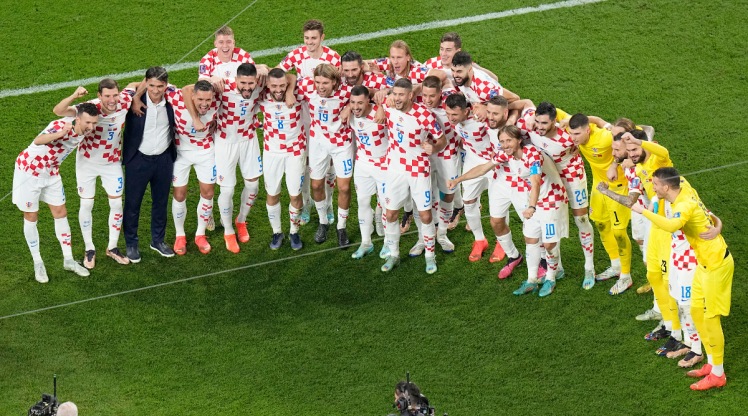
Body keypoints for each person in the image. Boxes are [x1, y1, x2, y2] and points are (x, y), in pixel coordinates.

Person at [632, 167, 733, 391]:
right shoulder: (684, 193)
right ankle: (710, 364)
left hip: (716, 265)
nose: (653, 187)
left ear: (666, 187)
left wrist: (642, 211)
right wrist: (718, 226)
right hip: (704, 264)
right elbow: (709, 213)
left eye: (655, 184)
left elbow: (671, 226)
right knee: (696, 311)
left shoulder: (684, 203)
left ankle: (718, 374)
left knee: (711, 318)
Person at [452, 125, 568, 297]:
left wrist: (531, 206)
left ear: (519, 140)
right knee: (531, 240)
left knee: (549, 243)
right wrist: (458, 180)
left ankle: (552, 277)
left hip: (551, 200)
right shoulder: (505, 154)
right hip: (535, 201)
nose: (505, 145)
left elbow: (536, 181)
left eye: (509, 140)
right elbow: (484, 168)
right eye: (502, 141)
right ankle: (531, 281)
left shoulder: (532, 155)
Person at [52, 79, 138, 268]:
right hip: (87, 163)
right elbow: (58, 111)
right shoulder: (89, 109)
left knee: (116, 203)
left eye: (114, 94)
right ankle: (89, 248)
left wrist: (138, 97)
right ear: (100, 96)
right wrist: (74, 95)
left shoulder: (124, 100)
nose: (112, 99)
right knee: (87, 203)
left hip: (111, 163)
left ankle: (112, 247)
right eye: (107, 96)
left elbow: (135, 84)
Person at [13, 104, 97, 282]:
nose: (91, 127)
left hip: (51, 173)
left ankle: (68, 260)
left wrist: (75, 96)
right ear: (78, 119)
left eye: (94, 123)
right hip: (29, 171)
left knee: (61, 213)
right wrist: (59, 134)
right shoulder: (62, 125)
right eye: (88, 122)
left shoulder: (83, 130)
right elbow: (38, 140)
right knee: (31, 215)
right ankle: (38, 262)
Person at [521, 102, 596, 287]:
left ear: (555, 121)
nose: (539, 127)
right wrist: (530, 119)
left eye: (544, 123)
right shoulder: (529, 124)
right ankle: (558, 267)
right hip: (549, 178)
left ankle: (589, 267)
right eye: (537, 121)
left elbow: (590, 127)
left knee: (581, 220)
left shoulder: (568, 136)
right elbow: (522, 104)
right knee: (550, 219)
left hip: (572, 175)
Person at [379, 78, 446, 274]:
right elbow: (375, 95)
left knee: (425, 215)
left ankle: (430, 256)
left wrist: (433, 147)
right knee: (390, 213)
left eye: (401, 95)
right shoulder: (389, 105)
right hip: (395, 168)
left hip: (418, 169)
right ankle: (393, 254)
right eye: (395, 94)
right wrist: (382, 102)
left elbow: (441, 140)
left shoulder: (424, 115)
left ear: (410, 95)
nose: (397, 98)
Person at [278, 19, 341, 226]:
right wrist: (289, 90)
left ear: (322, 37)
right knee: (305, 163)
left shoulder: (333, 57)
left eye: (314, 38)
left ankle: (329, 203)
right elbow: (279, 74)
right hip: (303, 116)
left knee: (329, 162)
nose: (309, 42)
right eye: (306, 38)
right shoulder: (297, 55)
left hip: (328, 117)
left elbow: (340, 85)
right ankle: (305, 205)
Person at [198, 63, 264, 253]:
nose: (247, 87)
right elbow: (191, 90)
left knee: (253, 186)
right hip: (225, 142)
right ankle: (228, 231)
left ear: (256, 81)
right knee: (227, 191)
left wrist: (264, 68)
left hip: (249, 140)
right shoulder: (222, 87)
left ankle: (241, 220)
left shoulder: (261, 86)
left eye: (250, 83)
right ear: (235, 80)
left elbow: (284, 77)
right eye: (242, 83)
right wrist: (209, 79)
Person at [567, 113, 633, 293]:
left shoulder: (605, 137)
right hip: (599, 185)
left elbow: (641, 133)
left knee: (619, 232)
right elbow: (552, 111)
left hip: (619, 187)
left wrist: (617, 164)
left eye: (577, 135)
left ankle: (626, 277)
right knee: (602, 224)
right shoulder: (574, 128)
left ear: (587, 131)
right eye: (571, 134)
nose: (572, 139)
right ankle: (616, 265)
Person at [122, 66, 177, 262]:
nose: (155, 90)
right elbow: (129, 86)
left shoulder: (173, 100)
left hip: (163, 159)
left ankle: (158, 240)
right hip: (138, 159)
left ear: (166, 85)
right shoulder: (131, 100)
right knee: (132, 203)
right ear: (146, 83)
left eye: (160, 86)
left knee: (161, 202)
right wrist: (136, 97)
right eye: (151, 85)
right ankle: (131, 243)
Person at [296, 63, 354, 246]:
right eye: (318, 82)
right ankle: (323, 222)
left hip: (342, 144)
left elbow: (367, 92)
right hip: (318, 143)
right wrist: (290, 92)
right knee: (316, 185)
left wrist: (350, 106)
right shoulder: (307, 86)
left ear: (335, 82)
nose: (320, 87)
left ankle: (341, 227)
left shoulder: (346, 91)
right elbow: (290, 79)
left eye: (325, 83)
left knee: (344, 187)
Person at [165, 80, 218, 255]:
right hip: (181, 152)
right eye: (200, 99)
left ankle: (200, 234)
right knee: (179, 194)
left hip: (205, 151)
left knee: (208, 193)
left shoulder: (218, 102)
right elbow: (156, 83)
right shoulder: (176, 99)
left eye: (208, 100)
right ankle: (180, 235)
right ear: (193, 96)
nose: (204, 104)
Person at [257, 68, 306, 250]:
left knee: (295, 195)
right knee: (272, 194)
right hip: (272, 153)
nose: (278, 89)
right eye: (274, 86)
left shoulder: (297, 95)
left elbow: (292, 75)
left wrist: (290, 91)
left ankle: (294, 231)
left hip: (295, 152)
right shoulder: (262, 96)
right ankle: (277, 231)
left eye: (282, 86)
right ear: (267, 85)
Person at [444, 93, 493, 262]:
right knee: (469, 200)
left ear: (466, 111)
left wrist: (485, 107)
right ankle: (480, 240)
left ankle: (502, 243)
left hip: (494, 162)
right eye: (448, 114)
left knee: (497, 204)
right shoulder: (458, 119)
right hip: (473, 158)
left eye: (454, 115)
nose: (450, 118)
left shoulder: (481, 120)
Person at [348, 85, 388, 258]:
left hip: (384, 165)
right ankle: (366, 243)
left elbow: (397, 92)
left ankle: (388, 244)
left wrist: (383, 106)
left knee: (388, 205)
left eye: (360, 103)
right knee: (363, 201)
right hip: (363, 164)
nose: (356, 107)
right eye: (352, 103)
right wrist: (345, 108)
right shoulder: (351, 114)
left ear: (368, 101)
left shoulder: (382, 114)